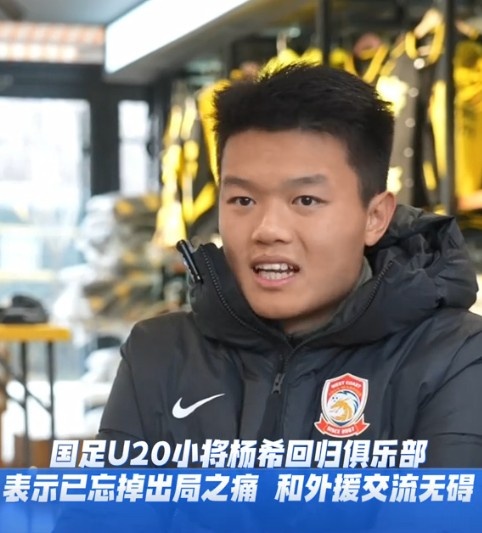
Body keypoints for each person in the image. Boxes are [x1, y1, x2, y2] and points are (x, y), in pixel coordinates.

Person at [98, 62, 482, 468]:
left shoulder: (455, 355)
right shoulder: (158, 353)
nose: (268, 230)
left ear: (375, 217)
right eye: (243, 200)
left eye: (306, 200)